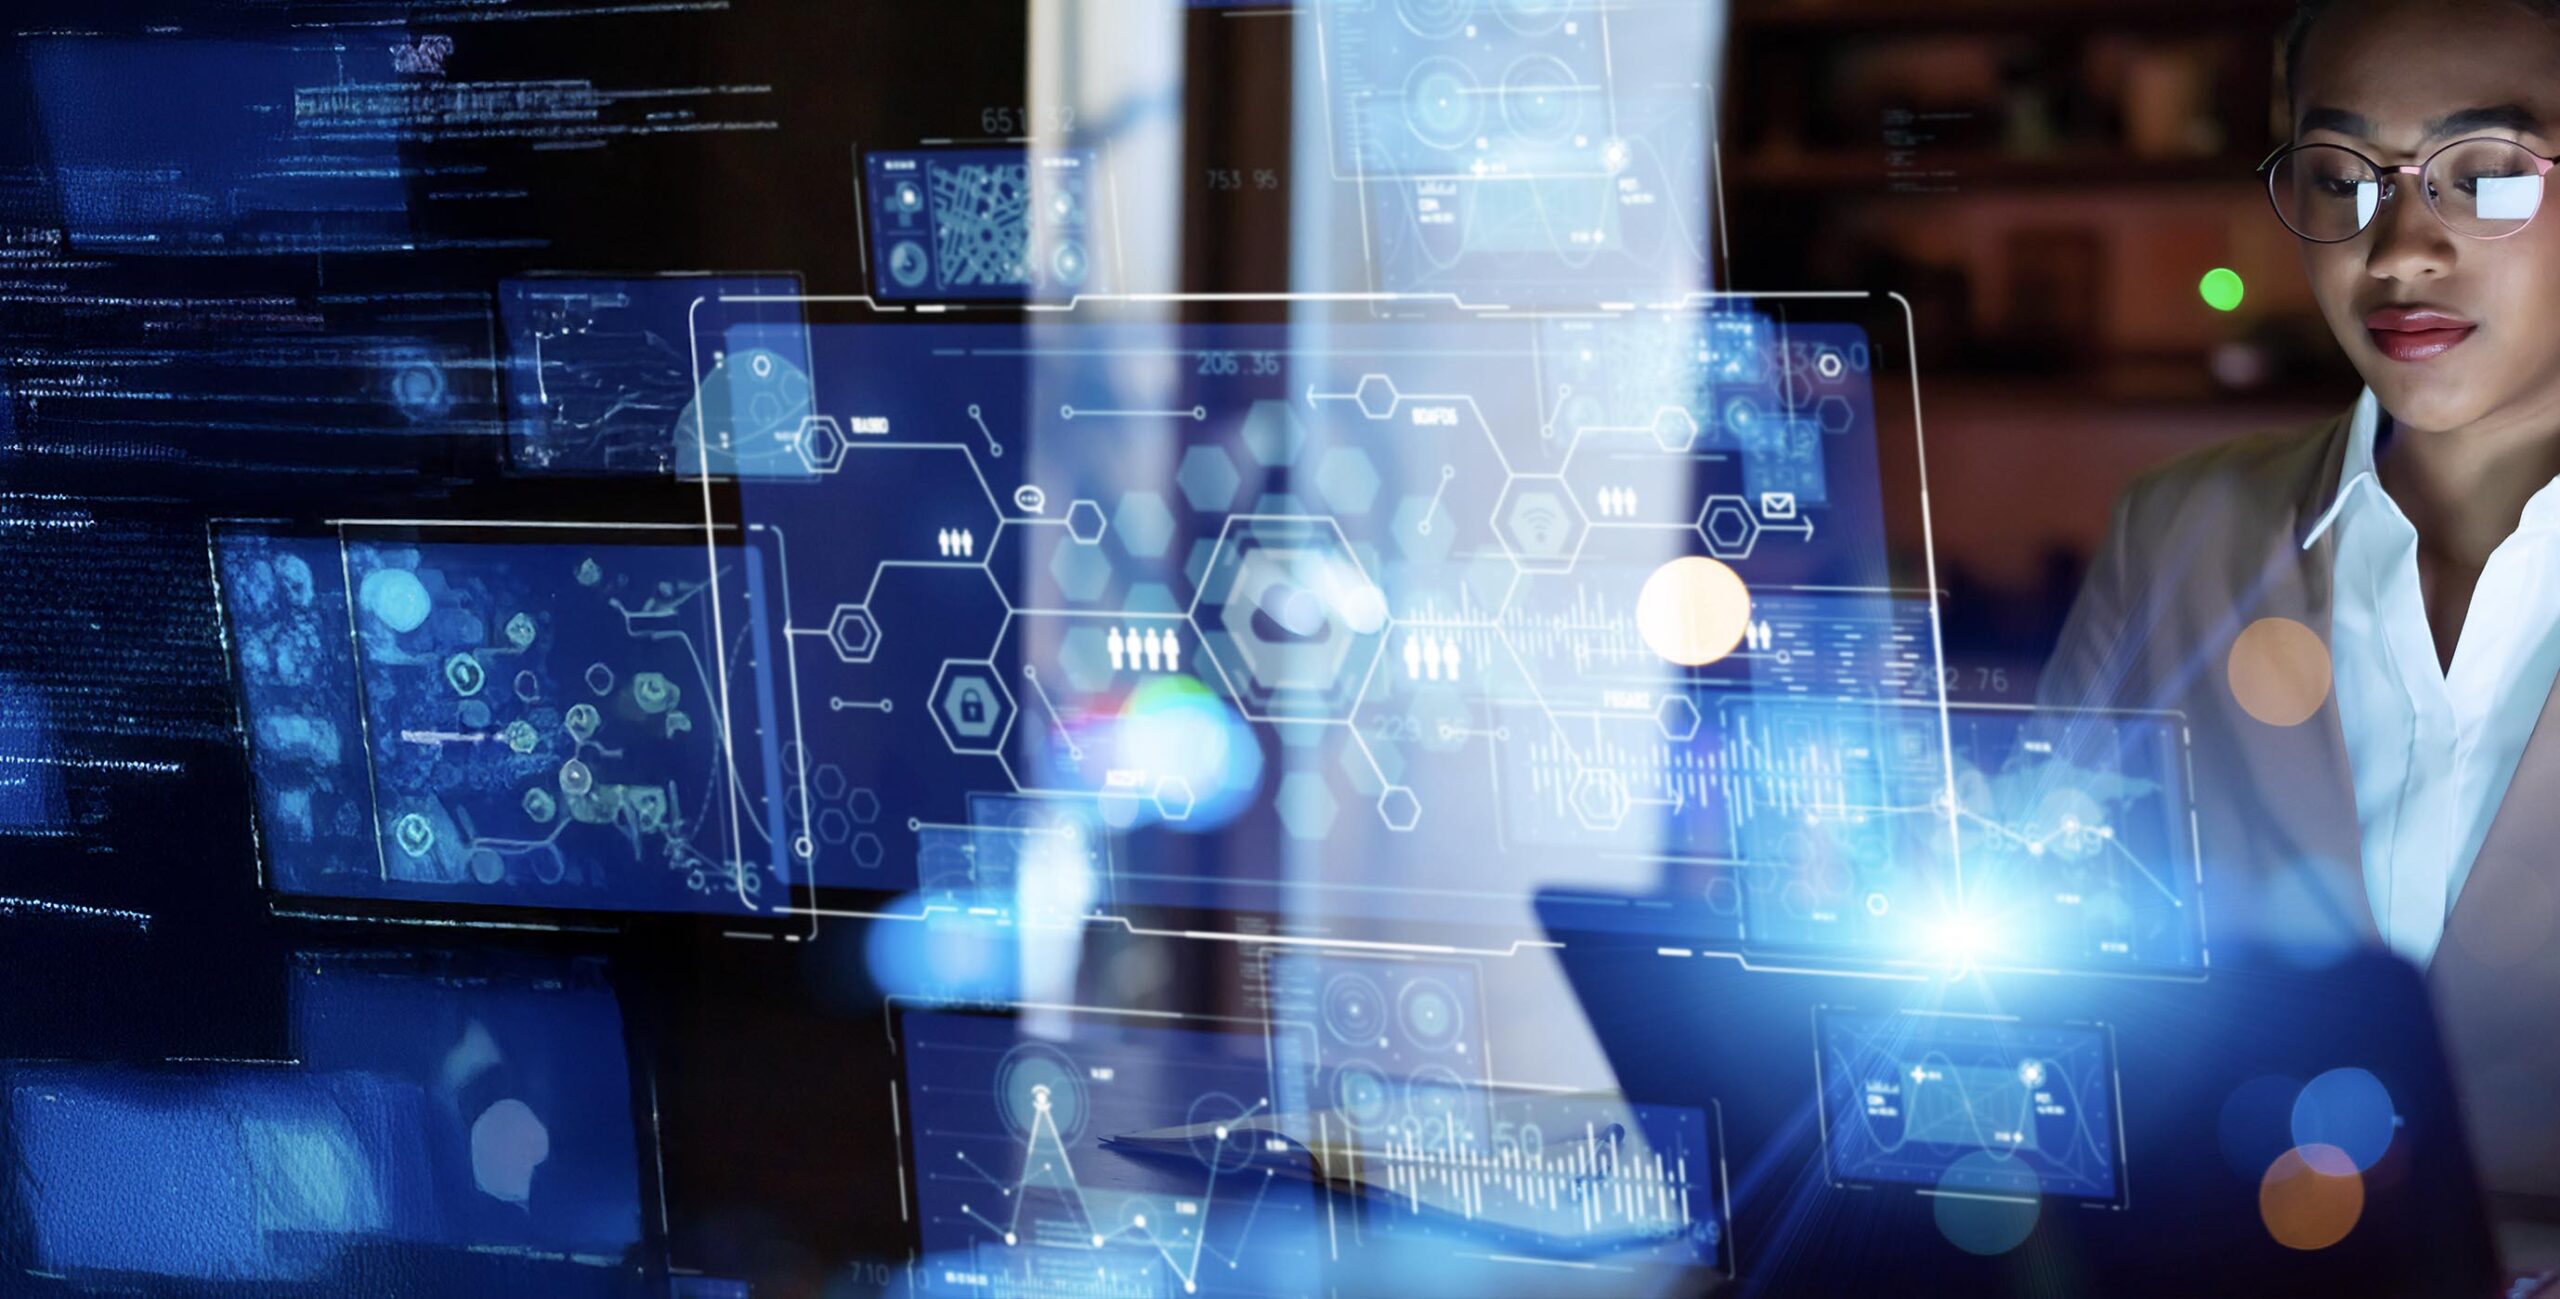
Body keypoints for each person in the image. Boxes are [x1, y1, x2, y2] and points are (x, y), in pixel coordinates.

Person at [2041, 0, 2560, 1217]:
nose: (2395, 250)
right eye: (2339, 178)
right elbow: (2047, 965)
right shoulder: (2177, 535)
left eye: (2484, 176)